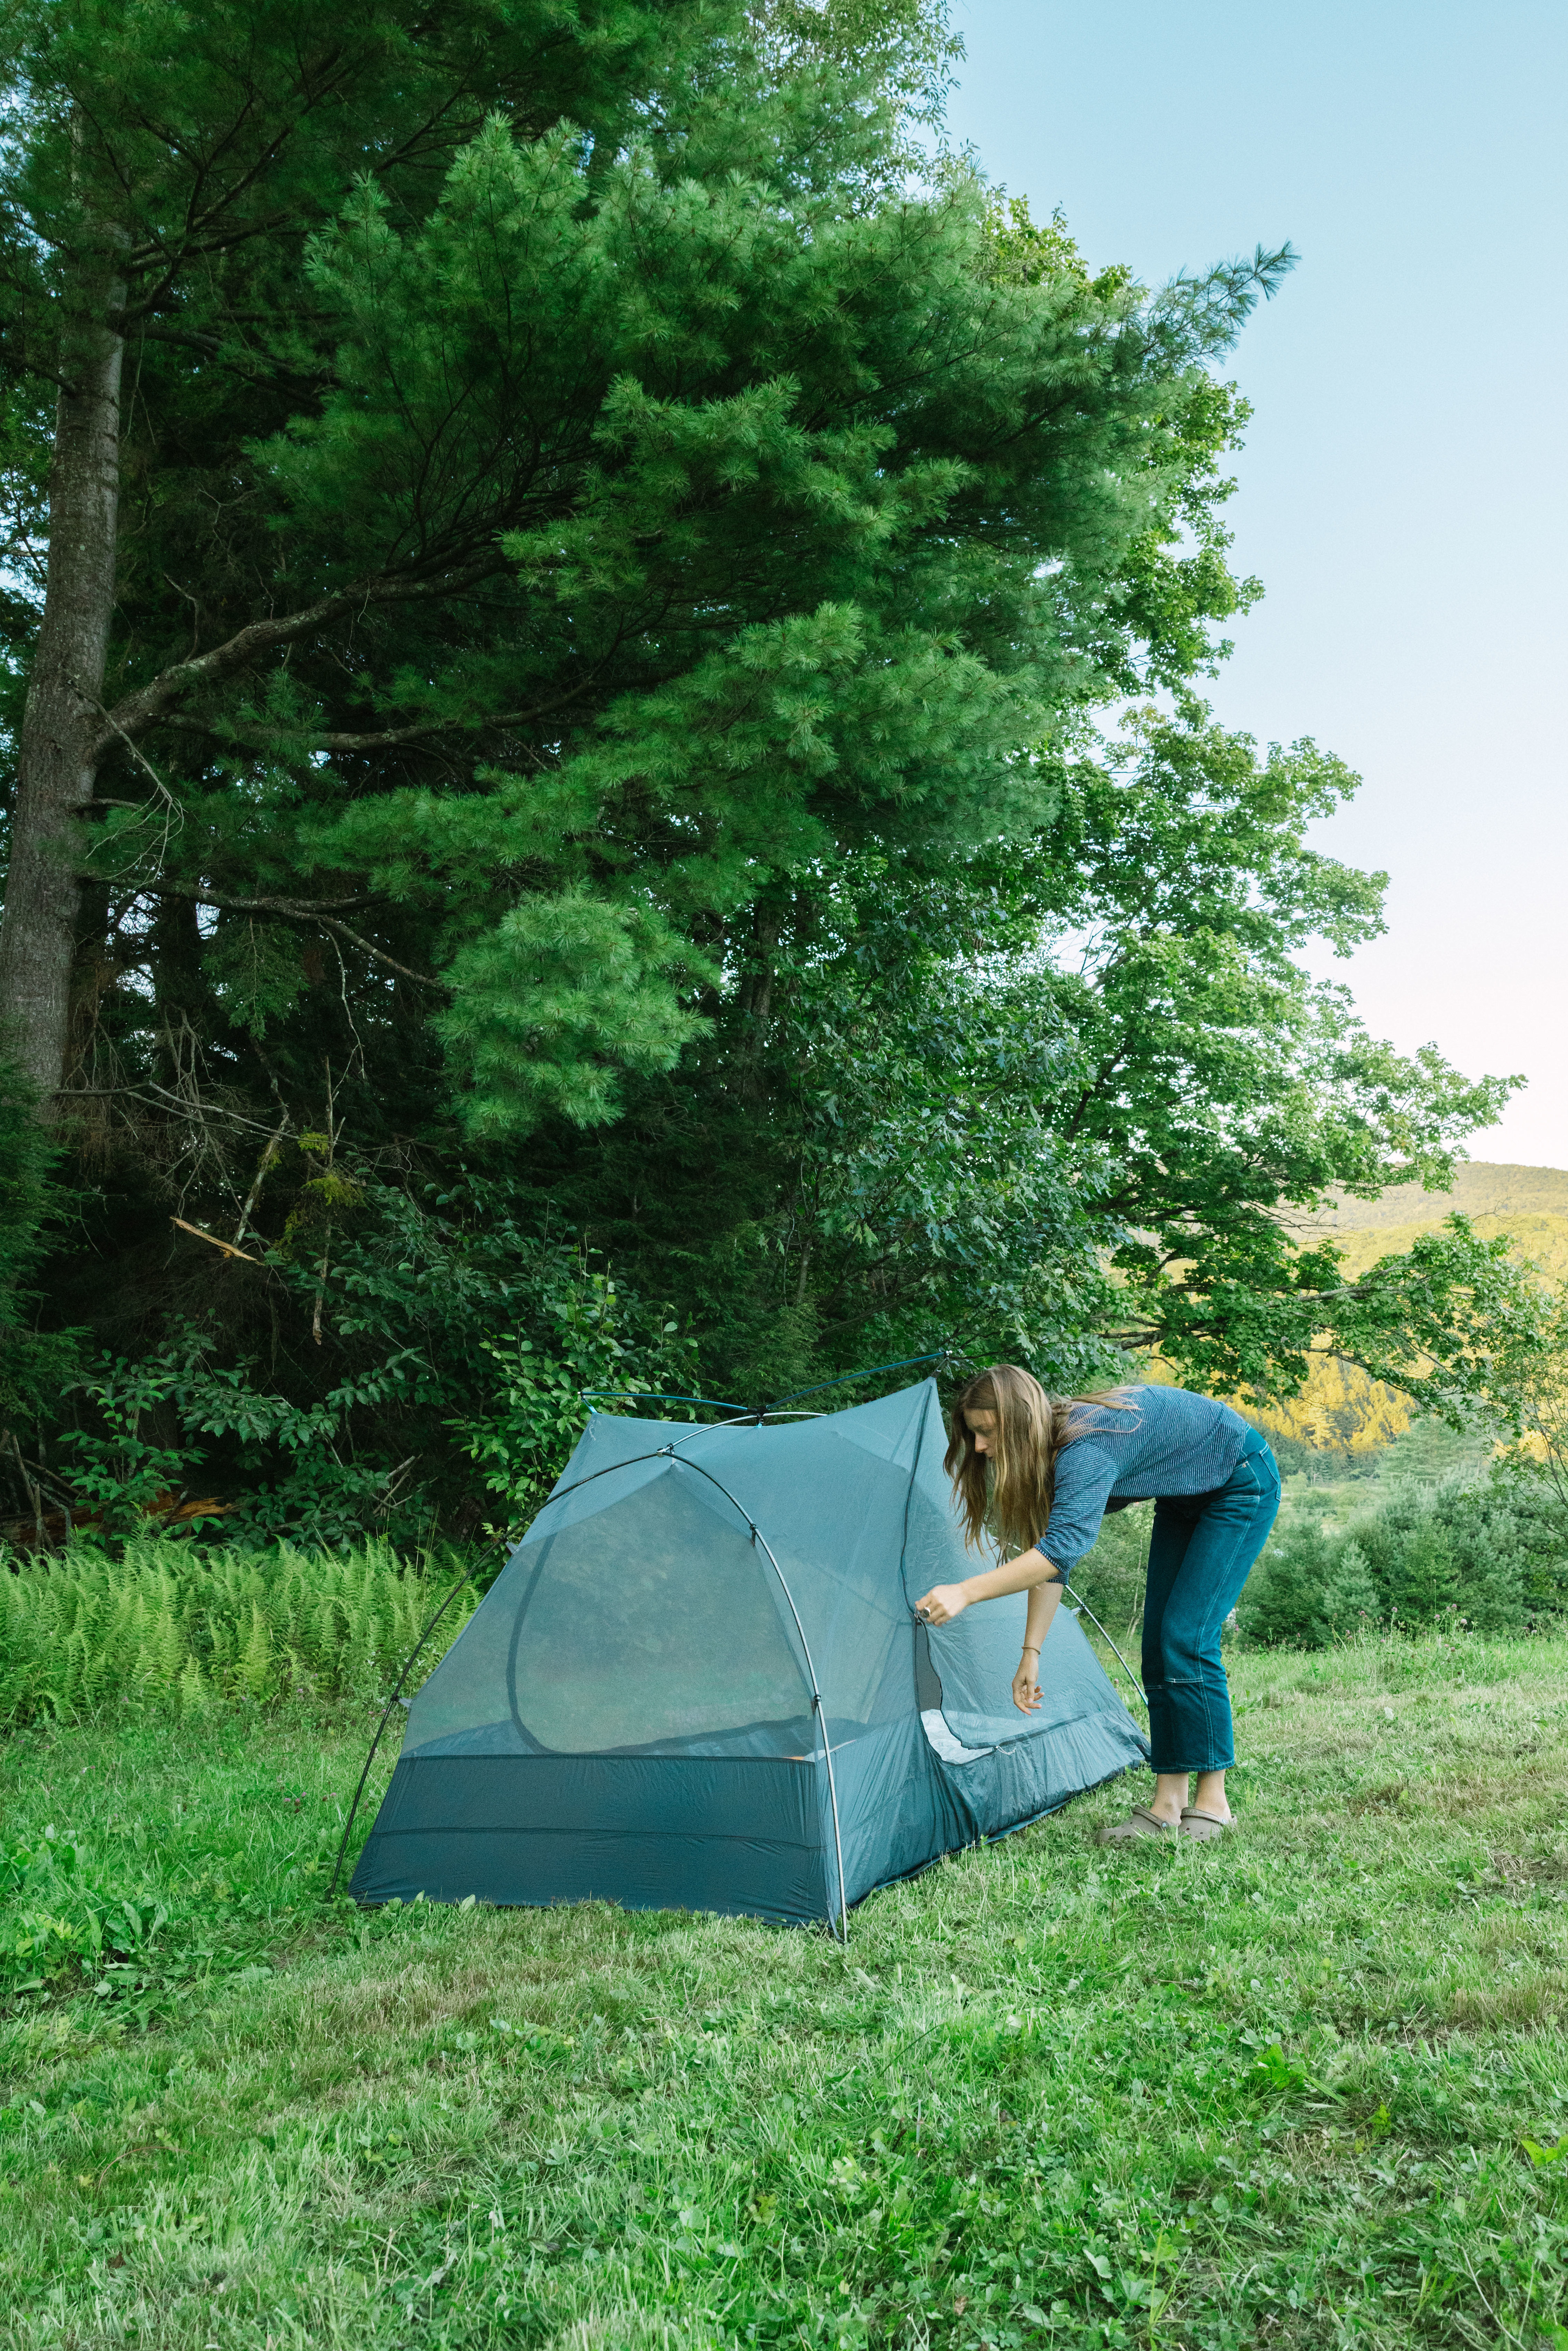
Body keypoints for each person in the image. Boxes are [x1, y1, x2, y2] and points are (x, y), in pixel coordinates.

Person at [913, 1364, 1279, 1843]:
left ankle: (1214, 1804)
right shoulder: (1052, 1452)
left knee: (1187, 1638)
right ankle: (1169, 1804)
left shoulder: (1086, 1449)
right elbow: (1053, 1561)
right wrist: (1031, 1653)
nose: (979, 1447)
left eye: (987, 1431)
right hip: (1185, 1495)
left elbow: (1060, 1550)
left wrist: (965, 1591)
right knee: (1159, 1644)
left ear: (1020, 1421)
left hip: (1239, 1478)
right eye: (974, 1434)